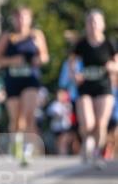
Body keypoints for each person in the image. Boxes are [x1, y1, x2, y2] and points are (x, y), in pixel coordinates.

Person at [0, 6, 49, 166]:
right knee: (16, 119)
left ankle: (27, 150)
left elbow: (44, 57)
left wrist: (39, 56)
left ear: (30, 19)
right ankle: (16, 144)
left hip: (30, 80)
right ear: (14, 19)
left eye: (25, 17)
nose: (21, 20)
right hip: (13, 80)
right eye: (18, 17)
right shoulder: (8, 37)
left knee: (29, 114)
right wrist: (12, 61)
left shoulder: (36, 35)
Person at [69, 10, 118, 168]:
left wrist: (112, 66)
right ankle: (87, 142)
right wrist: (74, 74)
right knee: (88, 124)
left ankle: (97, 153)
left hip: (104, 87)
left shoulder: (109, 43)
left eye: (96, 22)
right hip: (85, 87)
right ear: (86, 25)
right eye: (90, 21)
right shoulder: (81, 44)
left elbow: (117, 64)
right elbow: (71, 63)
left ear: (102, 25)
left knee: (101, 123)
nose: (93, 25)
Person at [46, 88, 75, 156]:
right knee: (59, 142)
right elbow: (53, 113)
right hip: (57, 128)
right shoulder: (55, 104)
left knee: (63, 142)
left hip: (66, 127)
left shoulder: (68, 104)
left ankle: (63, 154)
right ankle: (62, 155)